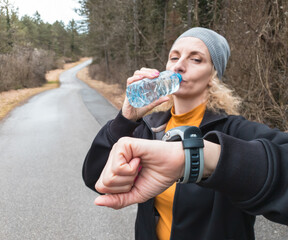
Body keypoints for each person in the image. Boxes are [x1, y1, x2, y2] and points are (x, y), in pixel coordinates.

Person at [82, 27, 288, 240]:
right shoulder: (150, 129)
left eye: (196, 59)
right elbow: (96, 179)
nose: (179, 66)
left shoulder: (235, 132)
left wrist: (211, 159)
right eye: (174, 57)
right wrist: (125, 120)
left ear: (213, 75)